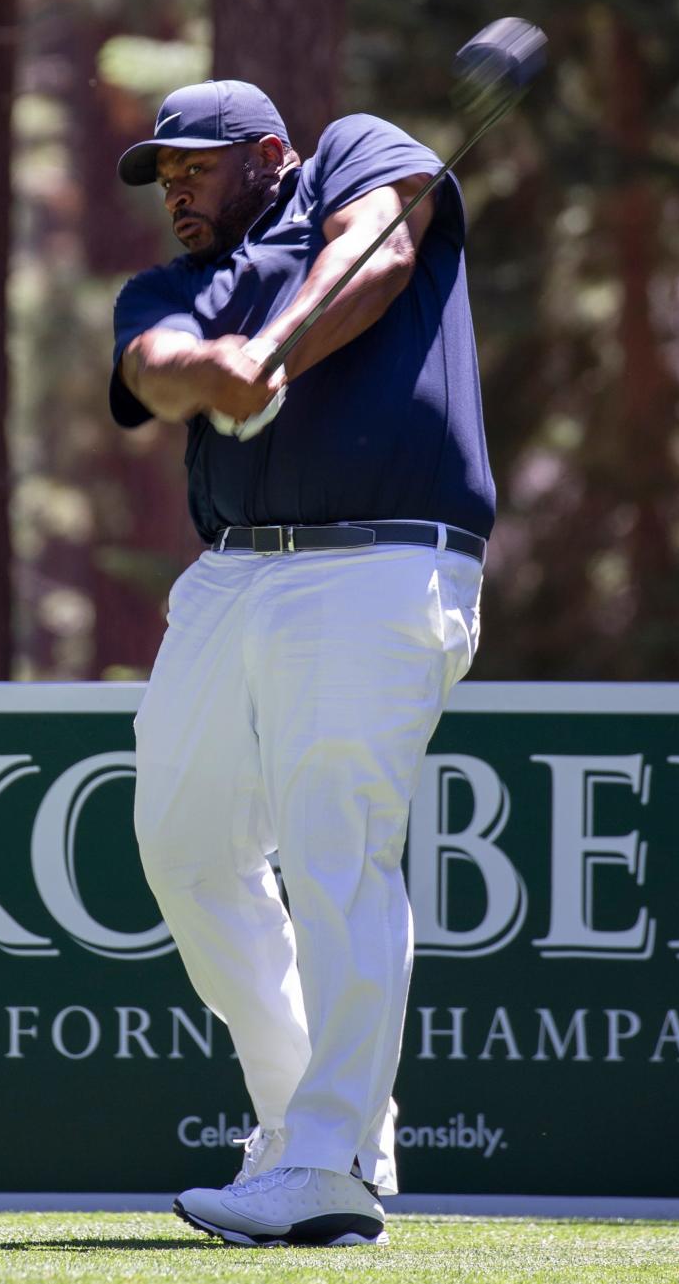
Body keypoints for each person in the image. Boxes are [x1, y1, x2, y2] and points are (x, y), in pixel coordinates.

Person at [110, 79, 492, 1247]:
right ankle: (307, 1130)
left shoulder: (352, 152)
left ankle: (329, 1158)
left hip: (382, 557)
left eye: (197, 166)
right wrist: (204, 372)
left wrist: (272, 349)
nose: (177, 190)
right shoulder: (176, 282)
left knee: (338, 845)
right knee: (182, 844)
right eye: (163, 175)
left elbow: (376, 254)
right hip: (234, 574)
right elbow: (152, 363)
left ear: (268, 155)